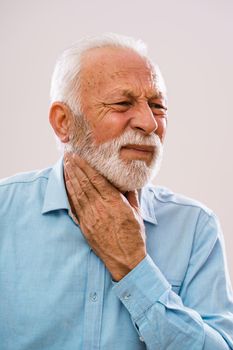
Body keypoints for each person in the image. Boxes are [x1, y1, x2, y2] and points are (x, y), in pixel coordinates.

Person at [0, 34, 232, 350]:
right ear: (63, 122)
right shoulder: (5, 211)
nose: (149, 123)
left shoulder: (195, 228)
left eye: (158, 106)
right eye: (122, 103)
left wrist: (134, 267)